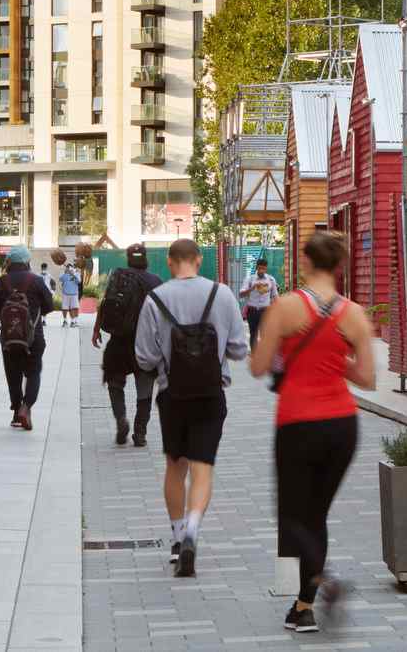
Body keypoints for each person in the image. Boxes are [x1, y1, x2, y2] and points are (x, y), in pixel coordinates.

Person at [248, 230, 375, 633]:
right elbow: (368, 378)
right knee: (315, 514)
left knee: (292, 515)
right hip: (342, 425)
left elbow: (257, 366)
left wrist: (283, 352)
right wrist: (336, 361)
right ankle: (303, 607)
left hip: (298, 422)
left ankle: (326, 581)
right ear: (339, 266)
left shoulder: (285, 307)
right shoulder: (354, 313)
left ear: (304, 262)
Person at [134, 238, 247, 579]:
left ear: (170, 262)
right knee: (202, 467)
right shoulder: (222, 294)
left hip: (173, 395)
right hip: (211, 394)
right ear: (198, 260)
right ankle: (194, 530)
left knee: (175, 465)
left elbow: (145, 357)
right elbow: (239, 349)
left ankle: (176, 536)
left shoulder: (155, 299)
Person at [92, 243, 161, 446]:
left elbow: (105, 303)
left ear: (128, 259)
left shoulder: (119, 276)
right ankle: (140, 433)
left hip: (119, 341)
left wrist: (96, 329)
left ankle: (121, 418)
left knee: (115, 382)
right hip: (145, 343)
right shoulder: (155, 281)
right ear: (146, 259)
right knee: (144, 388)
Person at [0, 246, 57, 429]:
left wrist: (10, 319)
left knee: (13, 374)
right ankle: (26, 407)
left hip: (9, 337)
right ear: (26, 261)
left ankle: (16, 412)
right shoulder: (36, 280)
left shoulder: (2, 281)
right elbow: (49, 306)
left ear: (10, 262)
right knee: (33, 372)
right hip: (33, 338)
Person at [242, 259, 278, 349]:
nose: (261, 271)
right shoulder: (250, 279)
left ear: (266, 268)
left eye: (263, 268)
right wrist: (252, 288)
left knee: (265, 335)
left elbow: (275, 296)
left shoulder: (271, 280)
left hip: (265, 311)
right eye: (259, 268)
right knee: (253, 334)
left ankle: (264, 354)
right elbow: (241, 294)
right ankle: (254, 354)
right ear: (256, 268)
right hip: (252, 311)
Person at [59, 262, 82, 327]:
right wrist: (65, 272)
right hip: (65, 294)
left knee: (74, 307)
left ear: (72, 268)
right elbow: (60, 279)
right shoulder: (64, 274)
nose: (68, 268)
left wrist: (73, 274)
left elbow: (79, 281)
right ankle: (65, 321)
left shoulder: (76, 273)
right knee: (64, 308)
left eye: (69, 267)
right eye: (67, 267)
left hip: (74, 294)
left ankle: (74, 321)